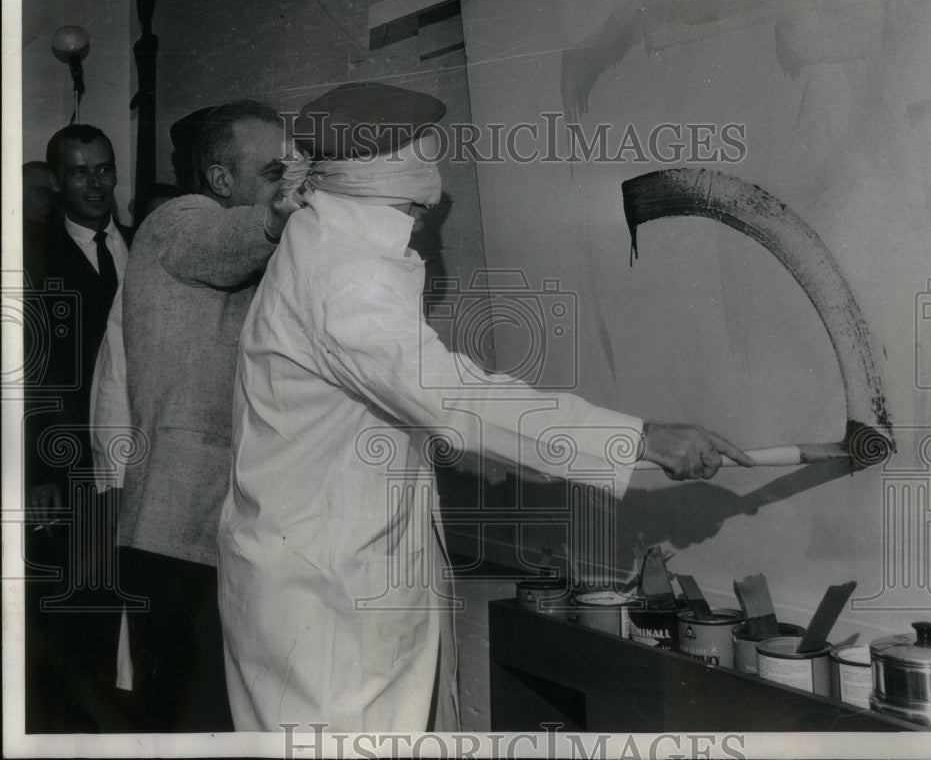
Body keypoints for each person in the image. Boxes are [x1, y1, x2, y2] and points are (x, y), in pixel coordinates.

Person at [217, 81, 754, 732]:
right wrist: (639, 438)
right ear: (392, 177)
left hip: (322, 579)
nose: (427, 211)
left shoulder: (327, 238)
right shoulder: (348, 276)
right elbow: (459, 400)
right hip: (325, 604)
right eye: (418, 193)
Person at [114, 99, 300, 732]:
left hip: (217, 532)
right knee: (178, 724)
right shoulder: (177, 219)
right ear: (221, 180)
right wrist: (277, 219)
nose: (289, 182)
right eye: (274, 171)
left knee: (214, 720)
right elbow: (221, 241)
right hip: (174, 527)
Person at [22, 125, 132, 732]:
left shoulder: (143, 245)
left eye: (104, 170)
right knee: (75, 604)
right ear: (58, 181)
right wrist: (37, 472)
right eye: (80, 173)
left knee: (129, 598)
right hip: (69, 461)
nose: (95, 184)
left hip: (137, 457)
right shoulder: (35, 258)